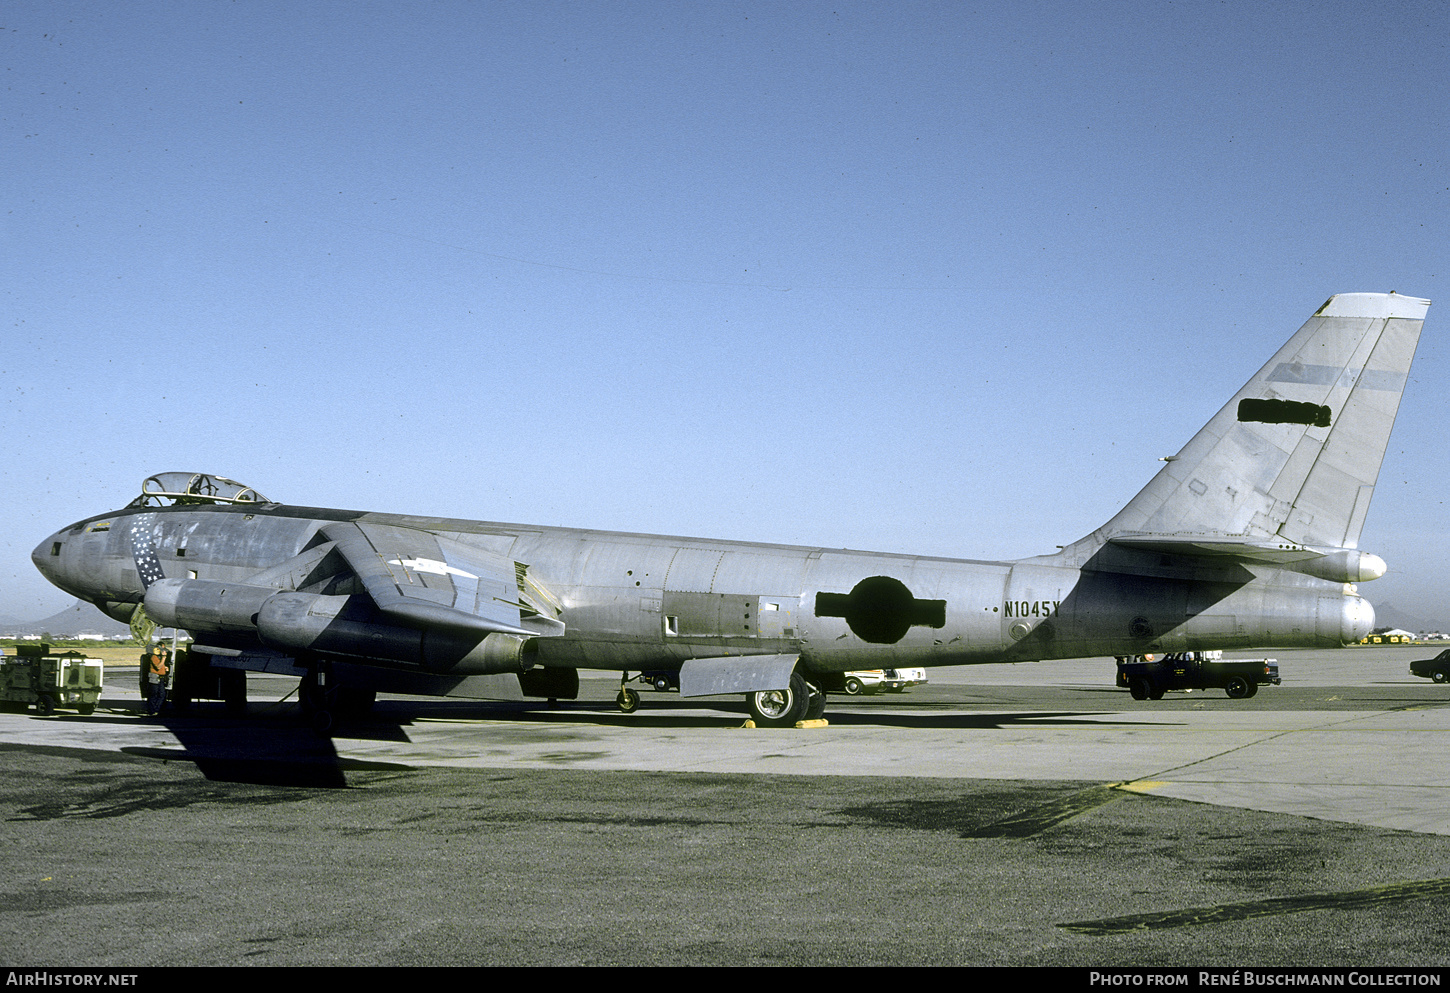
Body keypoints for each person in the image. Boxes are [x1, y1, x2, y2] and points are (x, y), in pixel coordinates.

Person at [145, 644, 169, 716]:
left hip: (160, 678)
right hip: (155, 678)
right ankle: (152, 710)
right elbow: (158, 667)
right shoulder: (154, 657)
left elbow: (161, 666)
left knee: (162, 694)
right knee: (154, 694)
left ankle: (156, 709)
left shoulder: (159, 658)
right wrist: (164, 658)